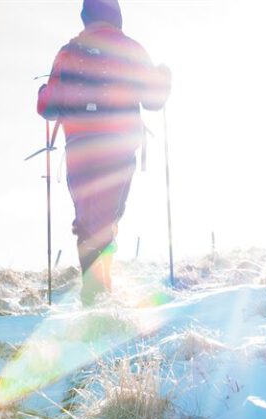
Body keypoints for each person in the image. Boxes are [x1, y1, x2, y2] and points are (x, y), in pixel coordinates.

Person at [37, 0, 171, 305]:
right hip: (119, 147)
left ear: (85, 17)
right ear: (116, 15)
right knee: (106, 219)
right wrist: (164, 78)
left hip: (80, 151)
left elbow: (47, 107)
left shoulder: (69, 51)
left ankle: (96, 292)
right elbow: (153, 100)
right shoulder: (130, 49)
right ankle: (97, 295)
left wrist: (42, 92)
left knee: (88, 220)